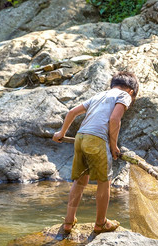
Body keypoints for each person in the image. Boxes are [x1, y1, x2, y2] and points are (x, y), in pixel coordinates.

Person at [52, 71, 139, 234]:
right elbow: (114, 120)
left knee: (80, 180)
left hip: (81, 137)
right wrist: (113, 146)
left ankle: (68, 222)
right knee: (104, 182)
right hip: (97, 140)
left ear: (113, 84)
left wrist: (61, 133)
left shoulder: (100, 95)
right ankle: (100, 223)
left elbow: (72, 112)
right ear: (131, 91)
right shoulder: (124, 95)